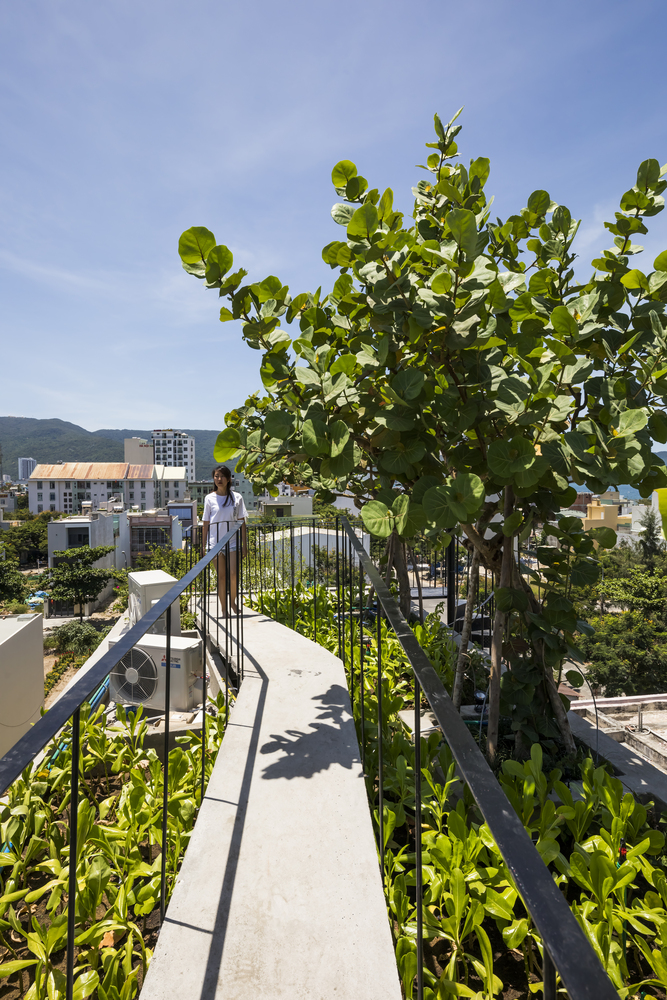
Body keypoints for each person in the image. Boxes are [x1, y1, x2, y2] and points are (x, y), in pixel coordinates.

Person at [202, 466, 248, 615]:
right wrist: (203, 546)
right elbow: (205, 523)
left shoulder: (237, 497)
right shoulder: (209, 498)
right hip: (215, 544)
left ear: (228, 479)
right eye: (216, 476)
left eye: (222, 476)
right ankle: (223, 609)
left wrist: (244, 545)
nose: (219, 479)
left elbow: (242, 522)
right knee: (221, 577)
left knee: (233, 574)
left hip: (233, 542)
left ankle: (233, 603)